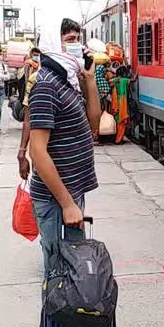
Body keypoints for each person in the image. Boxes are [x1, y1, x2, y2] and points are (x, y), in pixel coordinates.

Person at [29, 17, 102, 277]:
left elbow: (93, 123)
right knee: (59, 276)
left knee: (73, 273)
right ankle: (53, 320)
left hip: (71, 193)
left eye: (77, 40)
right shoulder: (47, 85)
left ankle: (67, 319)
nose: (77, 47)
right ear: (52, 43)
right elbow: (37, 151)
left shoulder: (67, 81)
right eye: (70, 41)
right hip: (55, 200)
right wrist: (67, 203)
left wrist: (89, 81)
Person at [18, 48, 41, 180]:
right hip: (40, 146)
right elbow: (28, 120)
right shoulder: (33, 78)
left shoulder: (73, 78)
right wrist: (22, 151)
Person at [110, 66, 132, 144]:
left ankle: (116, 138)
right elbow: (132, 80)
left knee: (117, 121)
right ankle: (118, 139)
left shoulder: (115, 80)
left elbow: (110, 82)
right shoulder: (125, 80)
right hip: (122, 102)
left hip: (115, 103)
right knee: (122, 122)